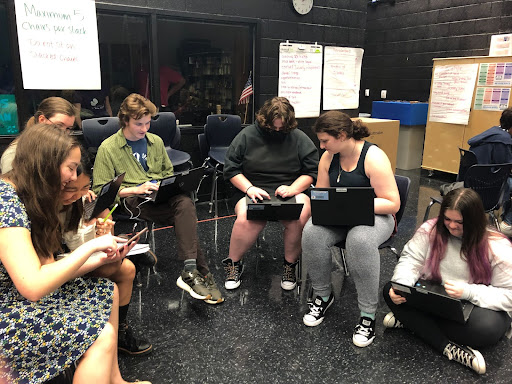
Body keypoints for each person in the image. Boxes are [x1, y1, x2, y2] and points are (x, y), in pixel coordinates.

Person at [0, 124, 149, 383]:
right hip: (10, 310)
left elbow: (48, 268)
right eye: (70, 167)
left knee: (107, 290)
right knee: (100, 336)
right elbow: (34, 286)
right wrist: (93, 247)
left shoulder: (29, 197)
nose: (72, 177)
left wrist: (100, 258)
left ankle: (115, 379)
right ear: (46, 163)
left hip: (17, 297)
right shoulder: (6, 201)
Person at [92, 93, 224, 304]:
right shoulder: (108, 148)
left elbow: (166, 172)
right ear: (125, 120)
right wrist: (135, 189)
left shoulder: (155, 141)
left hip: (157, 196)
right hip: (132, 202)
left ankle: (190, 270)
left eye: (147, 123)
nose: (144, 129)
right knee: (185, 215)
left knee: (185, 203)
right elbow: (100, 191)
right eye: (138, 124)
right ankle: (202, 273)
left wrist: (168, 185)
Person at [383, 188, 512, 374]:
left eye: (459, 222)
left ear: (474, 220)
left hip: (473, 304)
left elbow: (508, 294)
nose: (451, 226)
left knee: (488, 329)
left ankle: (412, 322)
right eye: (447, 219)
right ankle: (448, 347)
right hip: (437, 294)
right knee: (389, 290)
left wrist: (469, 292)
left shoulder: (496, 246)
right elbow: (411, 260)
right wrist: (401, 285)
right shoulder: (431, 229)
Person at [301, 111, 400, 348]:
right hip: (341, 217)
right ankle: (323, 295)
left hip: (376, 216)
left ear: (343, 135)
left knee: (360, 239)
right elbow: (323, 196)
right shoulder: (328, 157)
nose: (321, 145)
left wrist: (354, 204)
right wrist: (321, 203)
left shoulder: (373, 157)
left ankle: (368, 314)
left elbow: (392, 202)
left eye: (325, 140)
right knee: (311, 232)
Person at [60, 150, 153, 356]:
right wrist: (101, 244)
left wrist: (102, 235)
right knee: (119, 265)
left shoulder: (82, 200)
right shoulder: (52, 210)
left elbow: (89, 238)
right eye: (73, 188)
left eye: (86, 187)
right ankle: (129, 254)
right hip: (63, 267)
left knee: (127, 268)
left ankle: (121, 331)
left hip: (79, 258)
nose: (80, 194)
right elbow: (66, 252)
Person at [222, 96, 318, 290]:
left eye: (281, 128)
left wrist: (294, 188)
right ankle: (234, 264)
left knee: (299, 216)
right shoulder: (247, 136)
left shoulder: (299, 137)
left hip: (290, 189)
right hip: (253, 188)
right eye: (273, 127)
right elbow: (231, 169)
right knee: (245, 219)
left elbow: (311, 172)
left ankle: (289, 266)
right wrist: (249, 188)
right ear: (264, 120)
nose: (277, 131)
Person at [0, 96, 76, 174]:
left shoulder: (62, 149)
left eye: (68, 129)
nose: (64, 133)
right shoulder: (14, 154)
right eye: (59, 125)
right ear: (42, 120)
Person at [468, 107, 512, 236]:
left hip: (471, 182)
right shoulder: (503, 140)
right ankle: (507, 224)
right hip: (487, 187)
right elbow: (506, 166)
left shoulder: (492, 133)